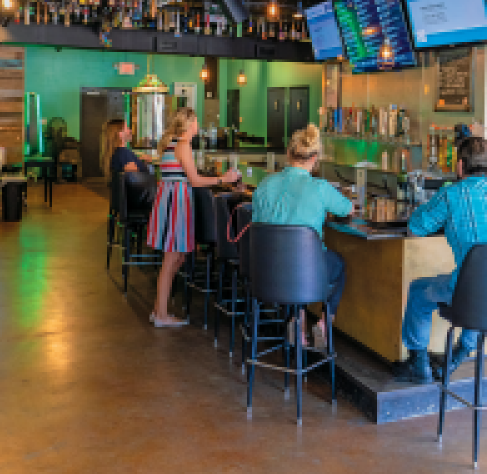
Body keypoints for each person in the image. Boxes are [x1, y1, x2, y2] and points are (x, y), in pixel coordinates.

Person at [393, 137, 487, 384]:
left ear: (460, 166)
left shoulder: (452, 195)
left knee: (419, 291)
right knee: (483, 288)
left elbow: (415, 227)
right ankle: (457, 355)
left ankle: (419, 366)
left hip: (473, 293)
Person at [251, 124, 353, 347]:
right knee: (335, 264)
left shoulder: (265, 184)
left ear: (288, 154)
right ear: (315, 158)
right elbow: (347, 209)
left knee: (290, 262)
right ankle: (324, 326)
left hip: (265, 273)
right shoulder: (320, 187)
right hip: (304, 274)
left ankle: (297, 322)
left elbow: (256, 223)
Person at [147, 107, 240, 327]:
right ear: (190, 124)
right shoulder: (183, 145)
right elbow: (195, 180)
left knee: (177, 258)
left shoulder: (173, 144)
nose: (198, 124)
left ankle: (157, 309)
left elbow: (189, 178)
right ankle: (161, 316)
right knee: (171, 260)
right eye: (196, 120)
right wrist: (223, 179)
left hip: (171, 202)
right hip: (175, 204)